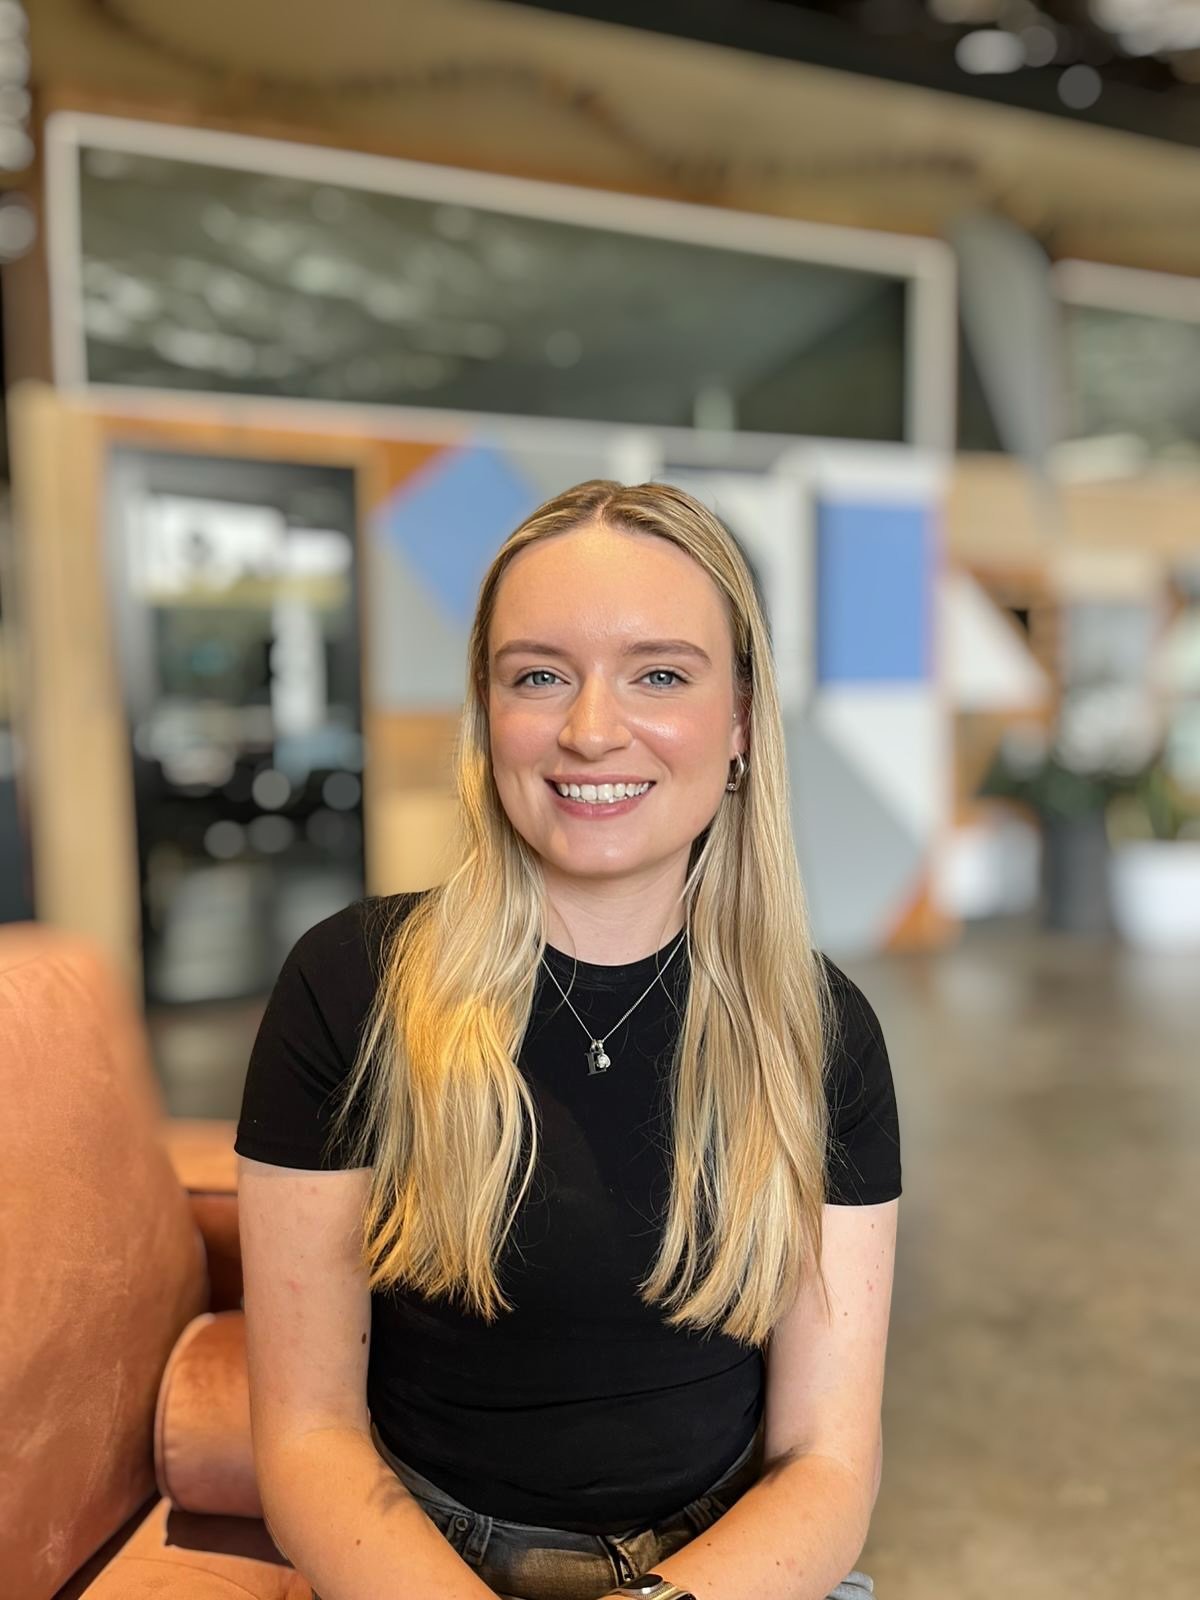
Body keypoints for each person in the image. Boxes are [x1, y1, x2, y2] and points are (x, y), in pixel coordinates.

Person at [235, 479, 901, 1600]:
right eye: (539, 674)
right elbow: (306, 1438)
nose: (592, 728)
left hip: (720, 1566)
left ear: (739, 723)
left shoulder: (821, 1030)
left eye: (659, 674)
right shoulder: (349, 987)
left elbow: (827, 1458)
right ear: (487, 713)